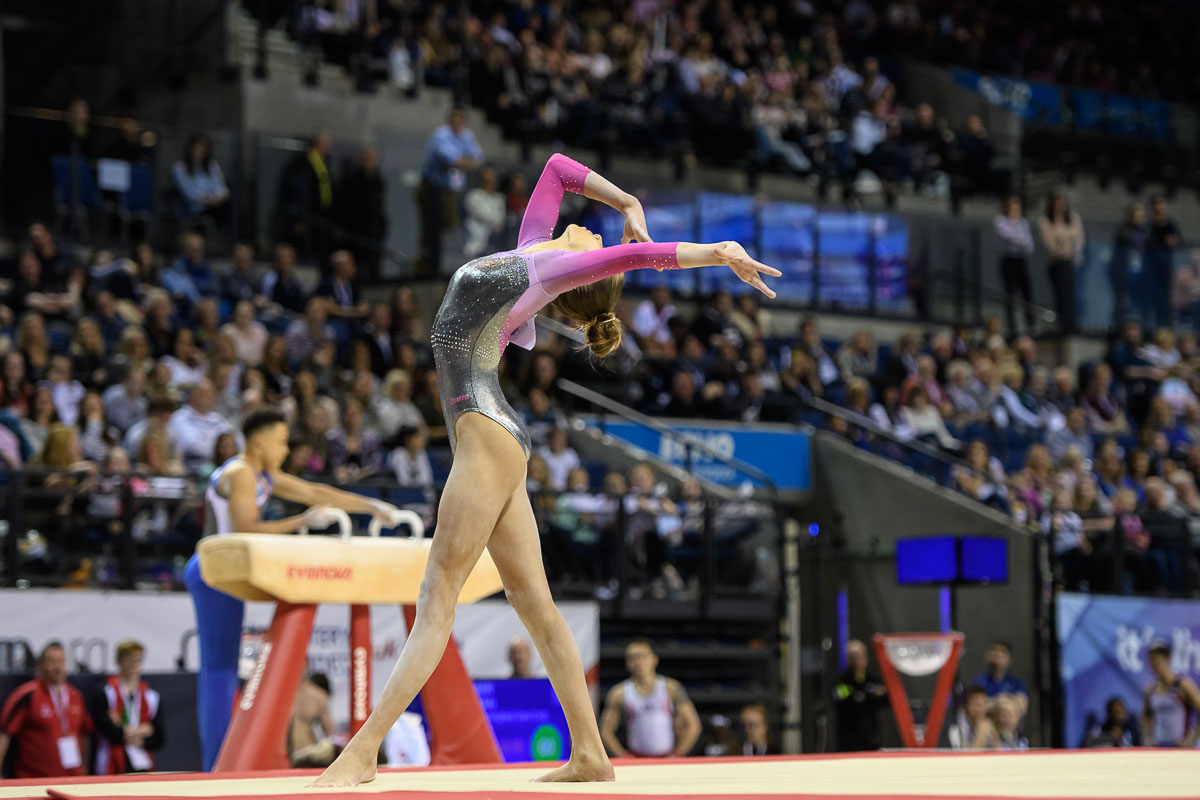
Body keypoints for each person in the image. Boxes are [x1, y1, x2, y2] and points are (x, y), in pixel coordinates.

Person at [312, 152, 777, 787]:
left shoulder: (557, 266)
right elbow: (558, 169)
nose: (592, 229)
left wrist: (719, 250)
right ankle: (590, 753)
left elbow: (638, 258)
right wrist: (627, 204)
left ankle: (363, 752)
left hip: (482, 431)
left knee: (436, 597)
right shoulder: (533, 250)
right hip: (492, 432)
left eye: (595, 234)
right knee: (536, 604)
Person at [184, 407, 405, 771]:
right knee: (219, 670)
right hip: (212, 568)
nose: (286, 450)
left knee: (222, 668)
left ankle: (220, 761)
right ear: (260, 440)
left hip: (226, 570)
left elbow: (316, 491)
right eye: (282, 441)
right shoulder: (240, 473)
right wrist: (301, 521)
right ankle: (215, 765)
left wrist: (371, 506)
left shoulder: (263, 475)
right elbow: (246, 527)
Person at [0, 642, 94, 778]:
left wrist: (85, 770)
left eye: (61, 661)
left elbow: (86, 734)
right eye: (52, 662)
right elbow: (4, 733)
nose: (58, 667)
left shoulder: (75, 696)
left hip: (73, 778)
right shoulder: (27, 695)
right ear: (40, 666)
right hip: (36, 780)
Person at [599, 640, 702, 759]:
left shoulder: (671, 688)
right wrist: (622, 755)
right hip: (636, 757)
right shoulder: (619, 693)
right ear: (628, 663)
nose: (638, 662)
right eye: (633, 658)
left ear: (654, 659)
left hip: (668, 756)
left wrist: (678, 753)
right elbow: (606, 731)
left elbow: (693, 725)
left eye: (643, 656)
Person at [416, 108, 483, 275]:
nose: (457, 124)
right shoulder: (441, 135)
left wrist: (460, 161)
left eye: (460, 121)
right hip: (432, 187)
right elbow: (450, 159)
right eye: (454, 121)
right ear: (449, 121)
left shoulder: (467, 136)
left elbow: (478, 160)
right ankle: (429, 266)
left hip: (450, 190)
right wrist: (463, 161)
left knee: (449, 227)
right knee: (431, 228)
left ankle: (443, 264)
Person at [91, 640, 164, 774]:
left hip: (141, 763)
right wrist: (142, 730)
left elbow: (159, 738)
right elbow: (110, 732)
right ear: (119, 662)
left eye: (137, 660)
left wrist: (124, 730)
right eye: (129, 660)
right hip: (112, 763)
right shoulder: (106, 692)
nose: (133, 665)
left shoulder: (150, 696)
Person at [1038, 191, 1085, 334]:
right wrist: (1062, 246)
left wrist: (1070, 249)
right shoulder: (1045, 221)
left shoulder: (1073, 218)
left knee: (1071, 294)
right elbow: (1049, 242)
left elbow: (1079, 238)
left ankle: (1072, 323)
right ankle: (1063, 324)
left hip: (1070, 262)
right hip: (1057, 263)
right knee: (1061, 294)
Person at [1141, 640, 1200, 747]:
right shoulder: (1150, 690)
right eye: (1150, 661)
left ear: (1167, 659)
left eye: (1156, 660)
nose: (1152, 665)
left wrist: (1193, 737)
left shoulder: (1183, 685)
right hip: (1158, 747)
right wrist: (1147, 737)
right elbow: (1145, 715)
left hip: (1180, 748)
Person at [834, 639, 887, 751]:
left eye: (859, 657)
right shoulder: (842, 681)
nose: (857, 661)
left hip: (871, 738)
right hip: (848, 739)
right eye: (853, 657)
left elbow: (885, 700)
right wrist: (868, 696)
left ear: (866, 658)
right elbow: (842, 700)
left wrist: (863, 697)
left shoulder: (873, 679)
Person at [994, 195, 1035, 335]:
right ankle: (1012, 326)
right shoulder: (1001, 221)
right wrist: (1020, 240)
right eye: (1013, 206)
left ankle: (1031, 324)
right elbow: (1008, 236)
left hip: (1021, 260)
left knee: (1027, 292)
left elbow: (1029, 245)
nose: (1015, 209)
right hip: (1008, 260)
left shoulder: (1023, 223)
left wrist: (1019, 241)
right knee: (1010, 294)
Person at [171, 134, 230, 220]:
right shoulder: (179, 168)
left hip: (216, 205)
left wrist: (216, 199)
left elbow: (222, 189)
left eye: (202, 150)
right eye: (196, 149)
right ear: (190, 149)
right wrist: (208, 200)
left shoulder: (212, 165)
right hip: (194, 207)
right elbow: (189, 194)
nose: (199, 153)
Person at [288, 674, 337, 768]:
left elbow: (331, 734)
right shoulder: (275, 694)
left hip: (305, 755)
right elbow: (330, 734)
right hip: (294, 755)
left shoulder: (318, 696)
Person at [971, 641, 1029, 716]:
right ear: (987, 656)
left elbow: (1022, 707)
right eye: (994, 651)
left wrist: (993, 702)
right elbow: (977, 709)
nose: (998, 655)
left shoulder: (1016, 683)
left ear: (1009, 659)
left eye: (1003, 653)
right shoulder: (978, 682)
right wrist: (1001, 700)